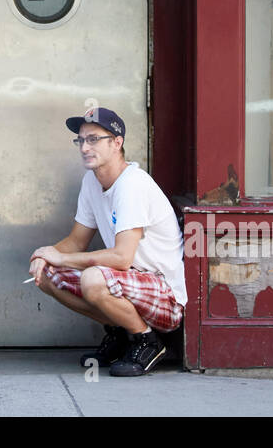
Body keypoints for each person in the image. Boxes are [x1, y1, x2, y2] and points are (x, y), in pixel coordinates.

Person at [29, 107, 186, 376]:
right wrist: (46, 256)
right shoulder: (92, 181)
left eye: (93, 139)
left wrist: (62, 257)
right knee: (48, 275)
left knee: (93, 279)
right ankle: (123, 333)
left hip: (164, 293)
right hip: (130, 284)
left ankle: (147, 341)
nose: (84, 147)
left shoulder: (132, 185)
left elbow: (122, 258)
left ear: (117, 143)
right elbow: (77, 241)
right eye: (81, 140)